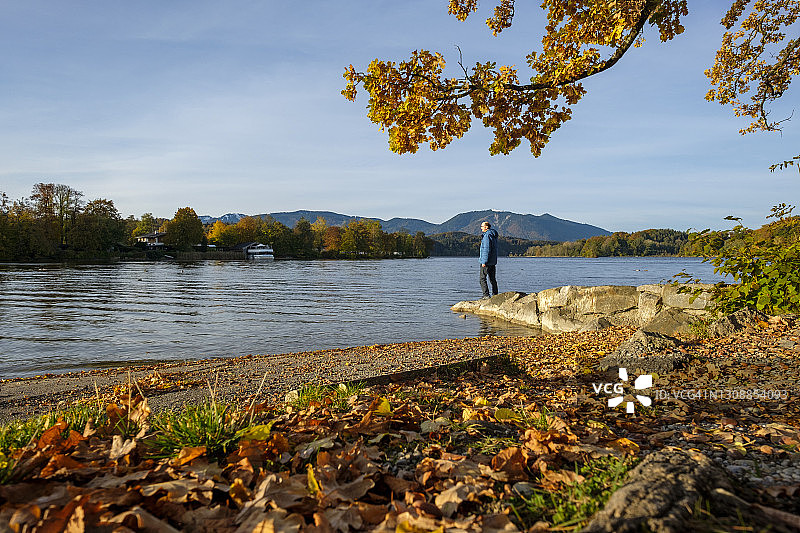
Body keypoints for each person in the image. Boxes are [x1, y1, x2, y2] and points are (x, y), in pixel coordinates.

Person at [479, 221, 499, 299]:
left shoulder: (487, 236)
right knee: (492, 279)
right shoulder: (493, 235)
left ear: (486, 227)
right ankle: (495, 294)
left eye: (482, 226)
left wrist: (484, 261)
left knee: (482, 279)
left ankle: (486, 295)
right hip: (492, 262)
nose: (481, 228)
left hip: (486, 262)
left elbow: (486, 249)